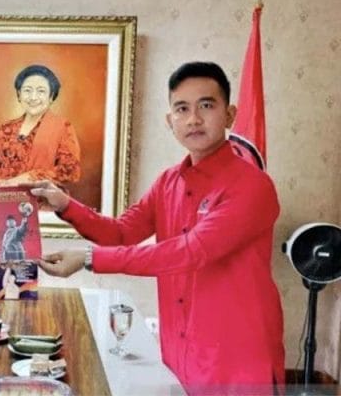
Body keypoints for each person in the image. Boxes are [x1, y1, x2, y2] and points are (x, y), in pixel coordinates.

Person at [32, 61, 284, 395]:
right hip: (179, 354)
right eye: (182, 109)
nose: (193, 119)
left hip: (238, 363)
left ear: (229, 115)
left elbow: (190, 252)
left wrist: (89, 258)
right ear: (170, 121)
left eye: (206, 105)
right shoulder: (168, 182)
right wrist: (65, 204)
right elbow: (121, 233)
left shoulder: (253, 186)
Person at [0, 64, 81, 188]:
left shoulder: (63, 127)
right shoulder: (5, 128)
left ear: (51, 96)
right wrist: (0, 183)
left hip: (41, 198)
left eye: (41, 91)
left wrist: (29, 177)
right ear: (19, 94)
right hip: (3, 196)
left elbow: (70, 171)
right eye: (27, 90)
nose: (33, 97)